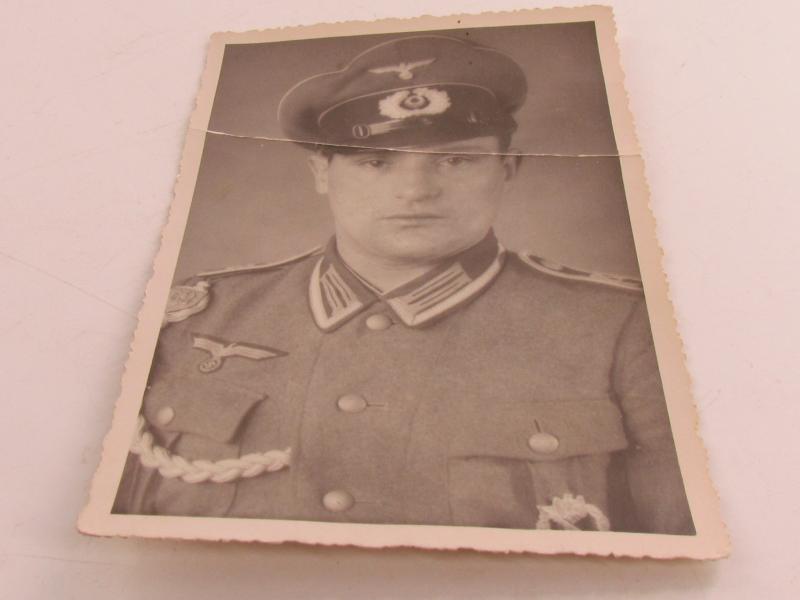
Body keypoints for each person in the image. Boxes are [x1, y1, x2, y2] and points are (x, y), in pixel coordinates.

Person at [113, 35, 694, 534]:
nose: (415, 191)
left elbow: (670, 551)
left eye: (455, 162)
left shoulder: (620, 327)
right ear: (321, 172)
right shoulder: (196, 317)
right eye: (375, 163)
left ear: (508, 169)